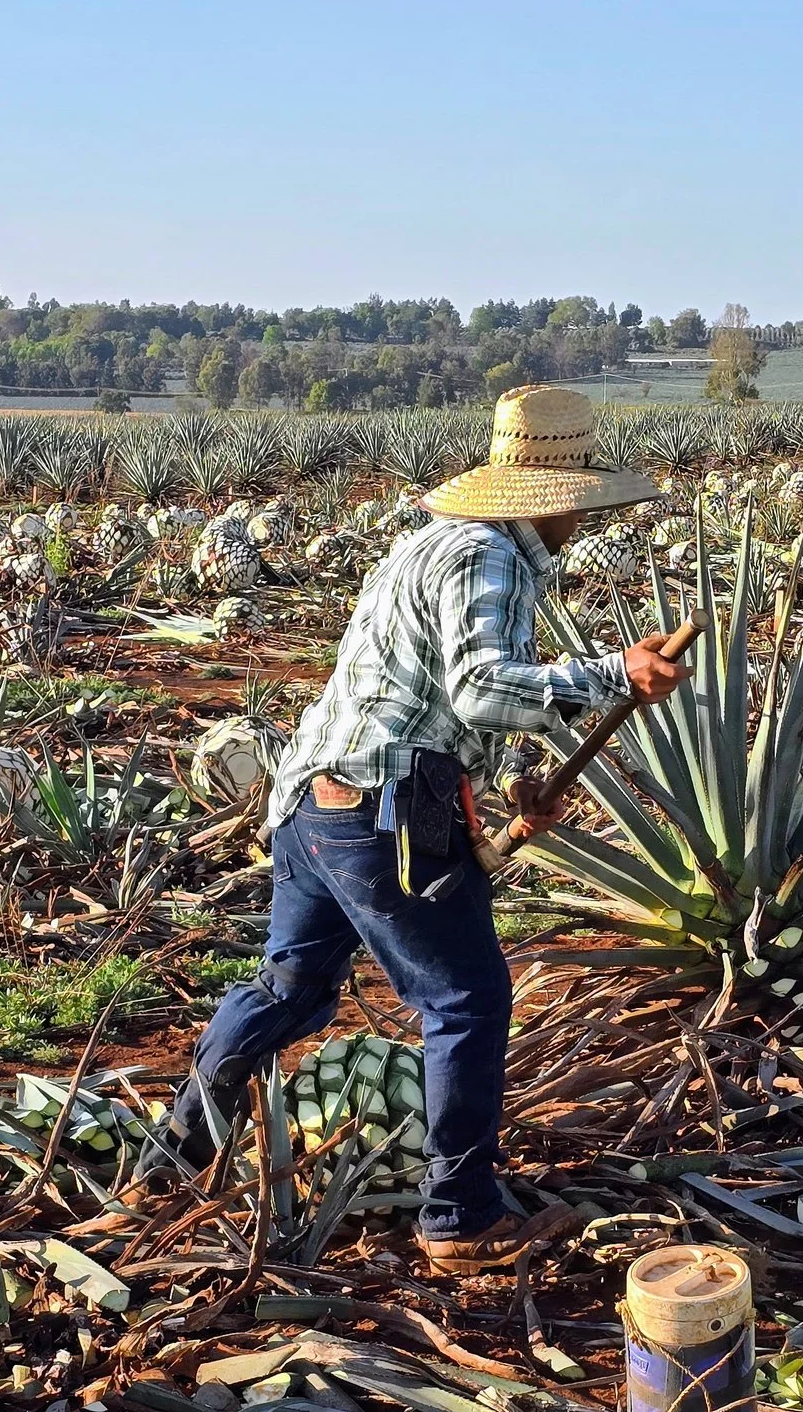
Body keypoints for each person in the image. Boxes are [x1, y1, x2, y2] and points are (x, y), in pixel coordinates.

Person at [171, 385, 690, 1273]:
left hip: (315, 806)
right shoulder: (490, 556)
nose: (585, 520)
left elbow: (427, 699)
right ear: (557, 497)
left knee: (291, 987)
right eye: (583, 500)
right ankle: (459, 1216)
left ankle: (177, 1148)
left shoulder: (437, 543)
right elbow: (481, 687)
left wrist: (509, 783)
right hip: (382, 813)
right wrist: (614, 672)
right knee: (466, 998)